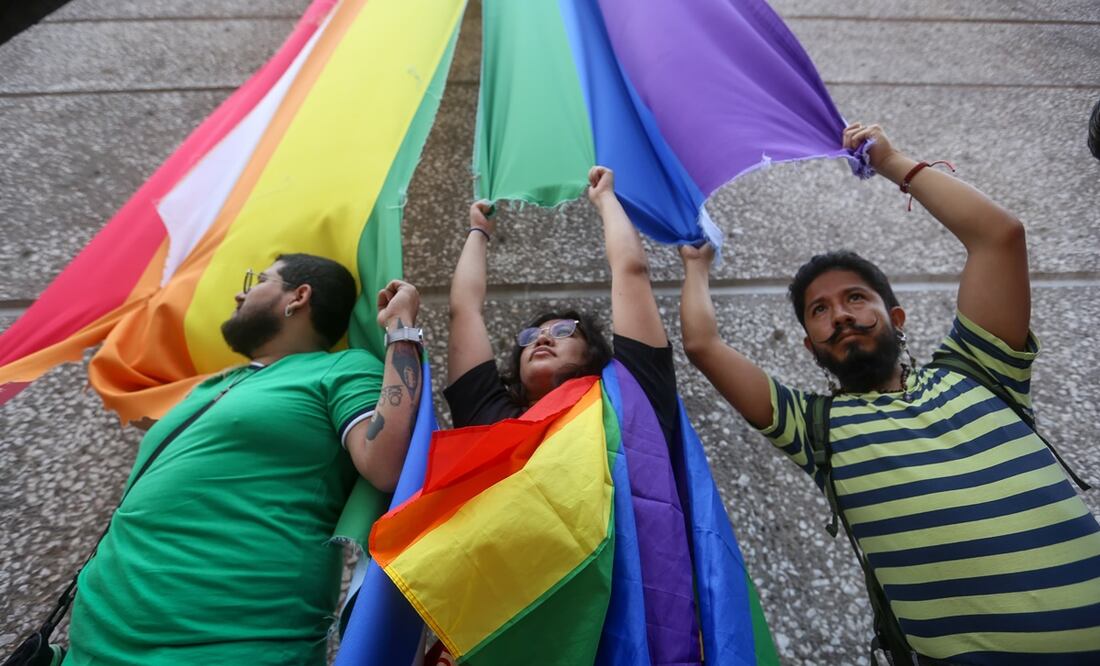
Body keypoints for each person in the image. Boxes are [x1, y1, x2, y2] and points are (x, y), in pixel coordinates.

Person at [679, 123, 1100, 664]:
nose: (841, 316)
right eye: (820, 311)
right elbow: (703, 343)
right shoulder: (814, 430)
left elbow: (999, 237)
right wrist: (696, 267)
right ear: (810, 347)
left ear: (895, 317)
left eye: (855, 297)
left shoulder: (980, 368)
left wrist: (894, 160)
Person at [66, 253, 424, 665]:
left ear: (299, 296)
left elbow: (387, 465)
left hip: (231, 644)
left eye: (258, 280)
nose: (240, 292)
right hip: (94, 645)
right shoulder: (211, 386)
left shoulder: (340, 368)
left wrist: (401, 330)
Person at [443, 166, 702, 664]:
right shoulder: (492, 415)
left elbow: (631, 272)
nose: (541, 337)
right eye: (529, 337)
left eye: (563, 330)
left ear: (593, 352)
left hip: (630, 614)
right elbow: (463, 311)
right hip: (518, 615)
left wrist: (605, 199)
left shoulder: (631, 395)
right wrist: (478, 231)